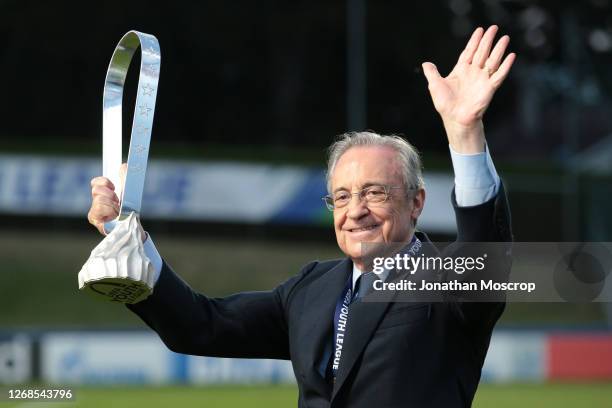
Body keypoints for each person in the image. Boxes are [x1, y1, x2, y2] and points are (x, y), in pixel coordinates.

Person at [87, 26, 515, 407]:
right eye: (342, 197)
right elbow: (201, 326)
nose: (356, 211)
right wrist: (131, 240)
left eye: (374, 192)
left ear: (416, 203)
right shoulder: (312, 288)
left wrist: (464, 133)